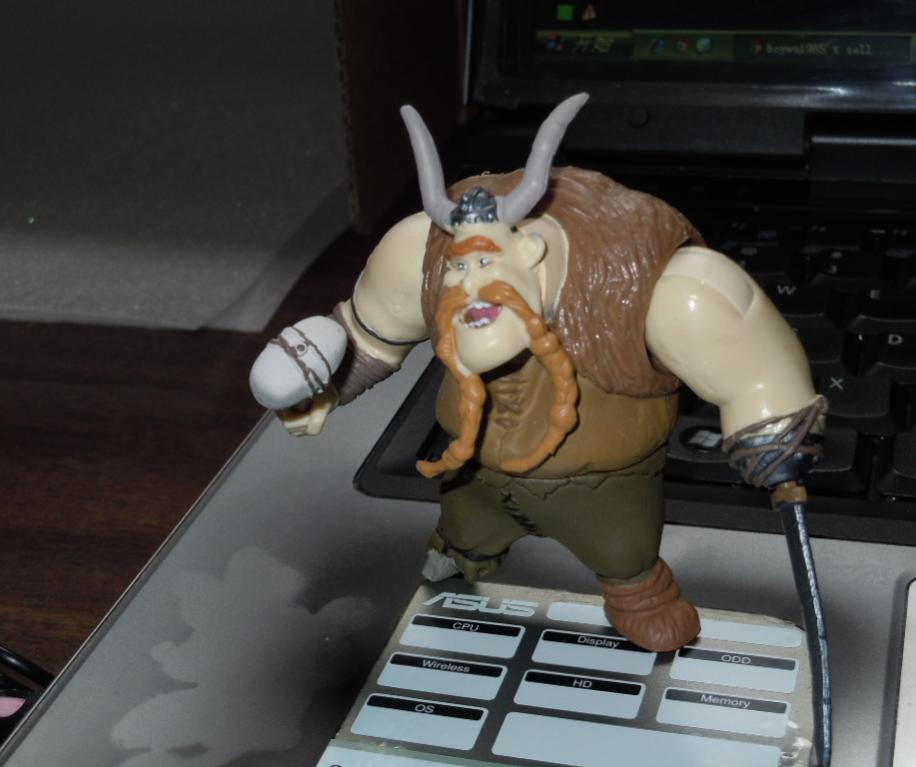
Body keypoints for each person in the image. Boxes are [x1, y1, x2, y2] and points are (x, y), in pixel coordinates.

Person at [249, 94, 824, 651]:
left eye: (486, 262)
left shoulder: (651, 288)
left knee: (624, 552)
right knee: (465, 527)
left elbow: (755, 370)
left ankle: (639, 594)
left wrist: (773, 439)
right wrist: (326, 387)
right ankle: (463, 553)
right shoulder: (422, 256)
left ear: (529, 252)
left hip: (605, 482)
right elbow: (368, 332)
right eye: (461, 267)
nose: (471, 285)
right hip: (475, 471)